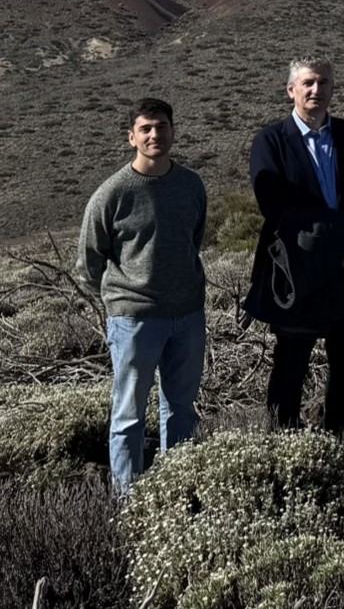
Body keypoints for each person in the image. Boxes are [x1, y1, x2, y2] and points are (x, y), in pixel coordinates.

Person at [79, 98, 207, 491]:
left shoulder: (191, 185)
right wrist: (119, 303)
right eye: (146, 128)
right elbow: (89, 260)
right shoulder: (112, 193)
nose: (155, 135)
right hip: (135, 320)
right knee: (129, 415)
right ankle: (126, 500)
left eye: (162, 126)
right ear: (131, 137)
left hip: (188, 315)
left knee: (181, 409)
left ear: (173, 131)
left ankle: (175, 491)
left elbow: (194, 239)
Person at [249, 58, 344, 436]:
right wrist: (337, 241)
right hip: (298, 269)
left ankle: (338, 441)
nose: (316, 90)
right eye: (307, 83)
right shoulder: (270, 141)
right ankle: (284, 444)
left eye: (323, 82)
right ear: (291, 90)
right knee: (292, 360)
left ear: (332, 89)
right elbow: (276, 207)